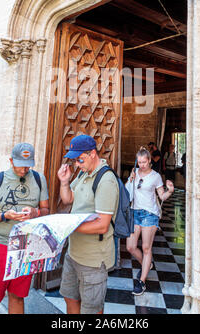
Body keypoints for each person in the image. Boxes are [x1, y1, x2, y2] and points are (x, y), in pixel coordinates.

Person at [0, 143, 49, 314]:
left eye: (28, 165)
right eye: (20, 165)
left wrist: (35, 212)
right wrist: (4, 216)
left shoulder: (39, 179)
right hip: (0, 247)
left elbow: (46, 211)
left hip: (26, 248)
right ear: (11, 160)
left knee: (17, 297)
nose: (24, 170)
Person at [57, 134, 119, 314]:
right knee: (70, 297)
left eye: (80, 159)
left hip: (93, 259)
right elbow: (68, 199)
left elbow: (102, 225)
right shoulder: (84, 174)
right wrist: (64, 182)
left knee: (91, 309)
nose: (77, 164)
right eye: (75, 160)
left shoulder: (106, 180)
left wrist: (68, 226)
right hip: (73, 254)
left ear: (93, 153)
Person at [125, 146, 174, 295]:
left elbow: (162, 196)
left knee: (146, 248)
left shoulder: (155, 176)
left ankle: (142, 281)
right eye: (139, 162)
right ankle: (147, 264)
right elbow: (128, 193)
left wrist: (170, 191)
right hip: (135, 212)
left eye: (144, 162)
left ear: (149, 160)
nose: (142, 165)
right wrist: (130, 179)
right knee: (131, 247)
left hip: (150, 214)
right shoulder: (135, 174)